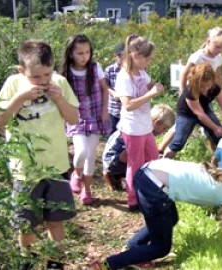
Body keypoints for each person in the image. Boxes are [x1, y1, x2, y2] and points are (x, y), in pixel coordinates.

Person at [0, 40, 79, 270]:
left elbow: (73, 119)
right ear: (22, 71)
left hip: (56, 166)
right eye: (36, 77)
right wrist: (21, 98)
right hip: (25, 169)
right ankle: (27, 262)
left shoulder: (59, 82)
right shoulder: (13, 85)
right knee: (26, 223)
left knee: (56, 221)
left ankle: (56, 263)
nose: (43, 81)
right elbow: (0, 122)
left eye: (47, 74)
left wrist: (59, 98)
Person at [89, 159, 222, 270]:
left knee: (171, 218)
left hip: (148, 171)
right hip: (155, 187)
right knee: (161, 247)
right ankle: (107, 265)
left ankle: (133, 248)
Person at [158, 27, 222, 154]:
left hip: (206, 92)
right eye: (217, 46)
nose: (219, 50)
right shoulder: (197, 56)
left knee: (215, 134)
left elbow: (218, 76)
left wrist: (217, 91)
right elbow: (184, 74)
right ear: (208, 41)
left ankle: (216, 164)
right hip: (192, 95)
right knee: (180, 133)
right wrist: (182, 91)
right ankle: (161, 150)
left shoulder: (219, 58)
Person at [115, 34, 164, 211]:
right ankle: (133, 200)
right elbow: (127, 105)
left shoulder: (142, 72)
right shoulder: (124, 77)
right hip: (132, 127)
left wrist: (154, 87)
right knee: (135, 163)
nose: (149, 62)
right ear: (136, 56)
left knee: (153, 159)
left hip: (145, 126)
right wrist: (150, 95)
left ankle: (153, 192)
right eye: (147, 58)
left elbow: (148, 85)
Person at [60, 34, 110, 205]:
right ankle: (76, 173)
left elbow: (105, 90)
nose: (84, 56)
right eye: (80, 53)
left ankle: (86, 190)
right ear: (71, 54)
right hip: (76, 117)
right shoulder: (66, 73)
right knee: (81, 151)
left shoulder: (96, 68)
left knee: (91, 154)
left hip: (95, 116)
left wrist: (105, 110)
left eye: (87, 52)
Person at [163, 63, 222, 159]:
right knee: (178, 142)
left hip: (204, 110)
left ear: (212, 81)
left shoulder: (215, 88)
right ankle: (163, 161)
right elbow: (199, 113)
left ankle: (217, 168)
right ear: (195, 81)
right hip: (186, 114)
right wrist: (215, 128)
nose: (205, 89)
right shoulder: (190, 90)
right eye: (201, 86)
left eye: (207, 85)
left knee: (220, 139)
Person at [102, 104, 175, 191]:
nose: (164, 132)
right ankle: (112, 173)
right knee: (141, 164)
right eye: (164, 129)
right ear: (157, 123)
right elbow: (126, 154)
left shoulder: (146, 129)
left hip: (120, 157)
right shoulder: (139, 130)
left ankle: (118, 176)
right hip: (112, 159)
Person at [104, 43, 125, 136]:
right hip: (113, 109)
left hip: (126, 111)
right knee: (111, 135)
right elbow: (105, 85)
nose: (123, 58)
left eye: (125, 55)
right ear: (115, 56)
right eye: (120, 55)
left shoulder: (132, 70)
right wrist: (113, 93)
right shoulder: (110, 69)